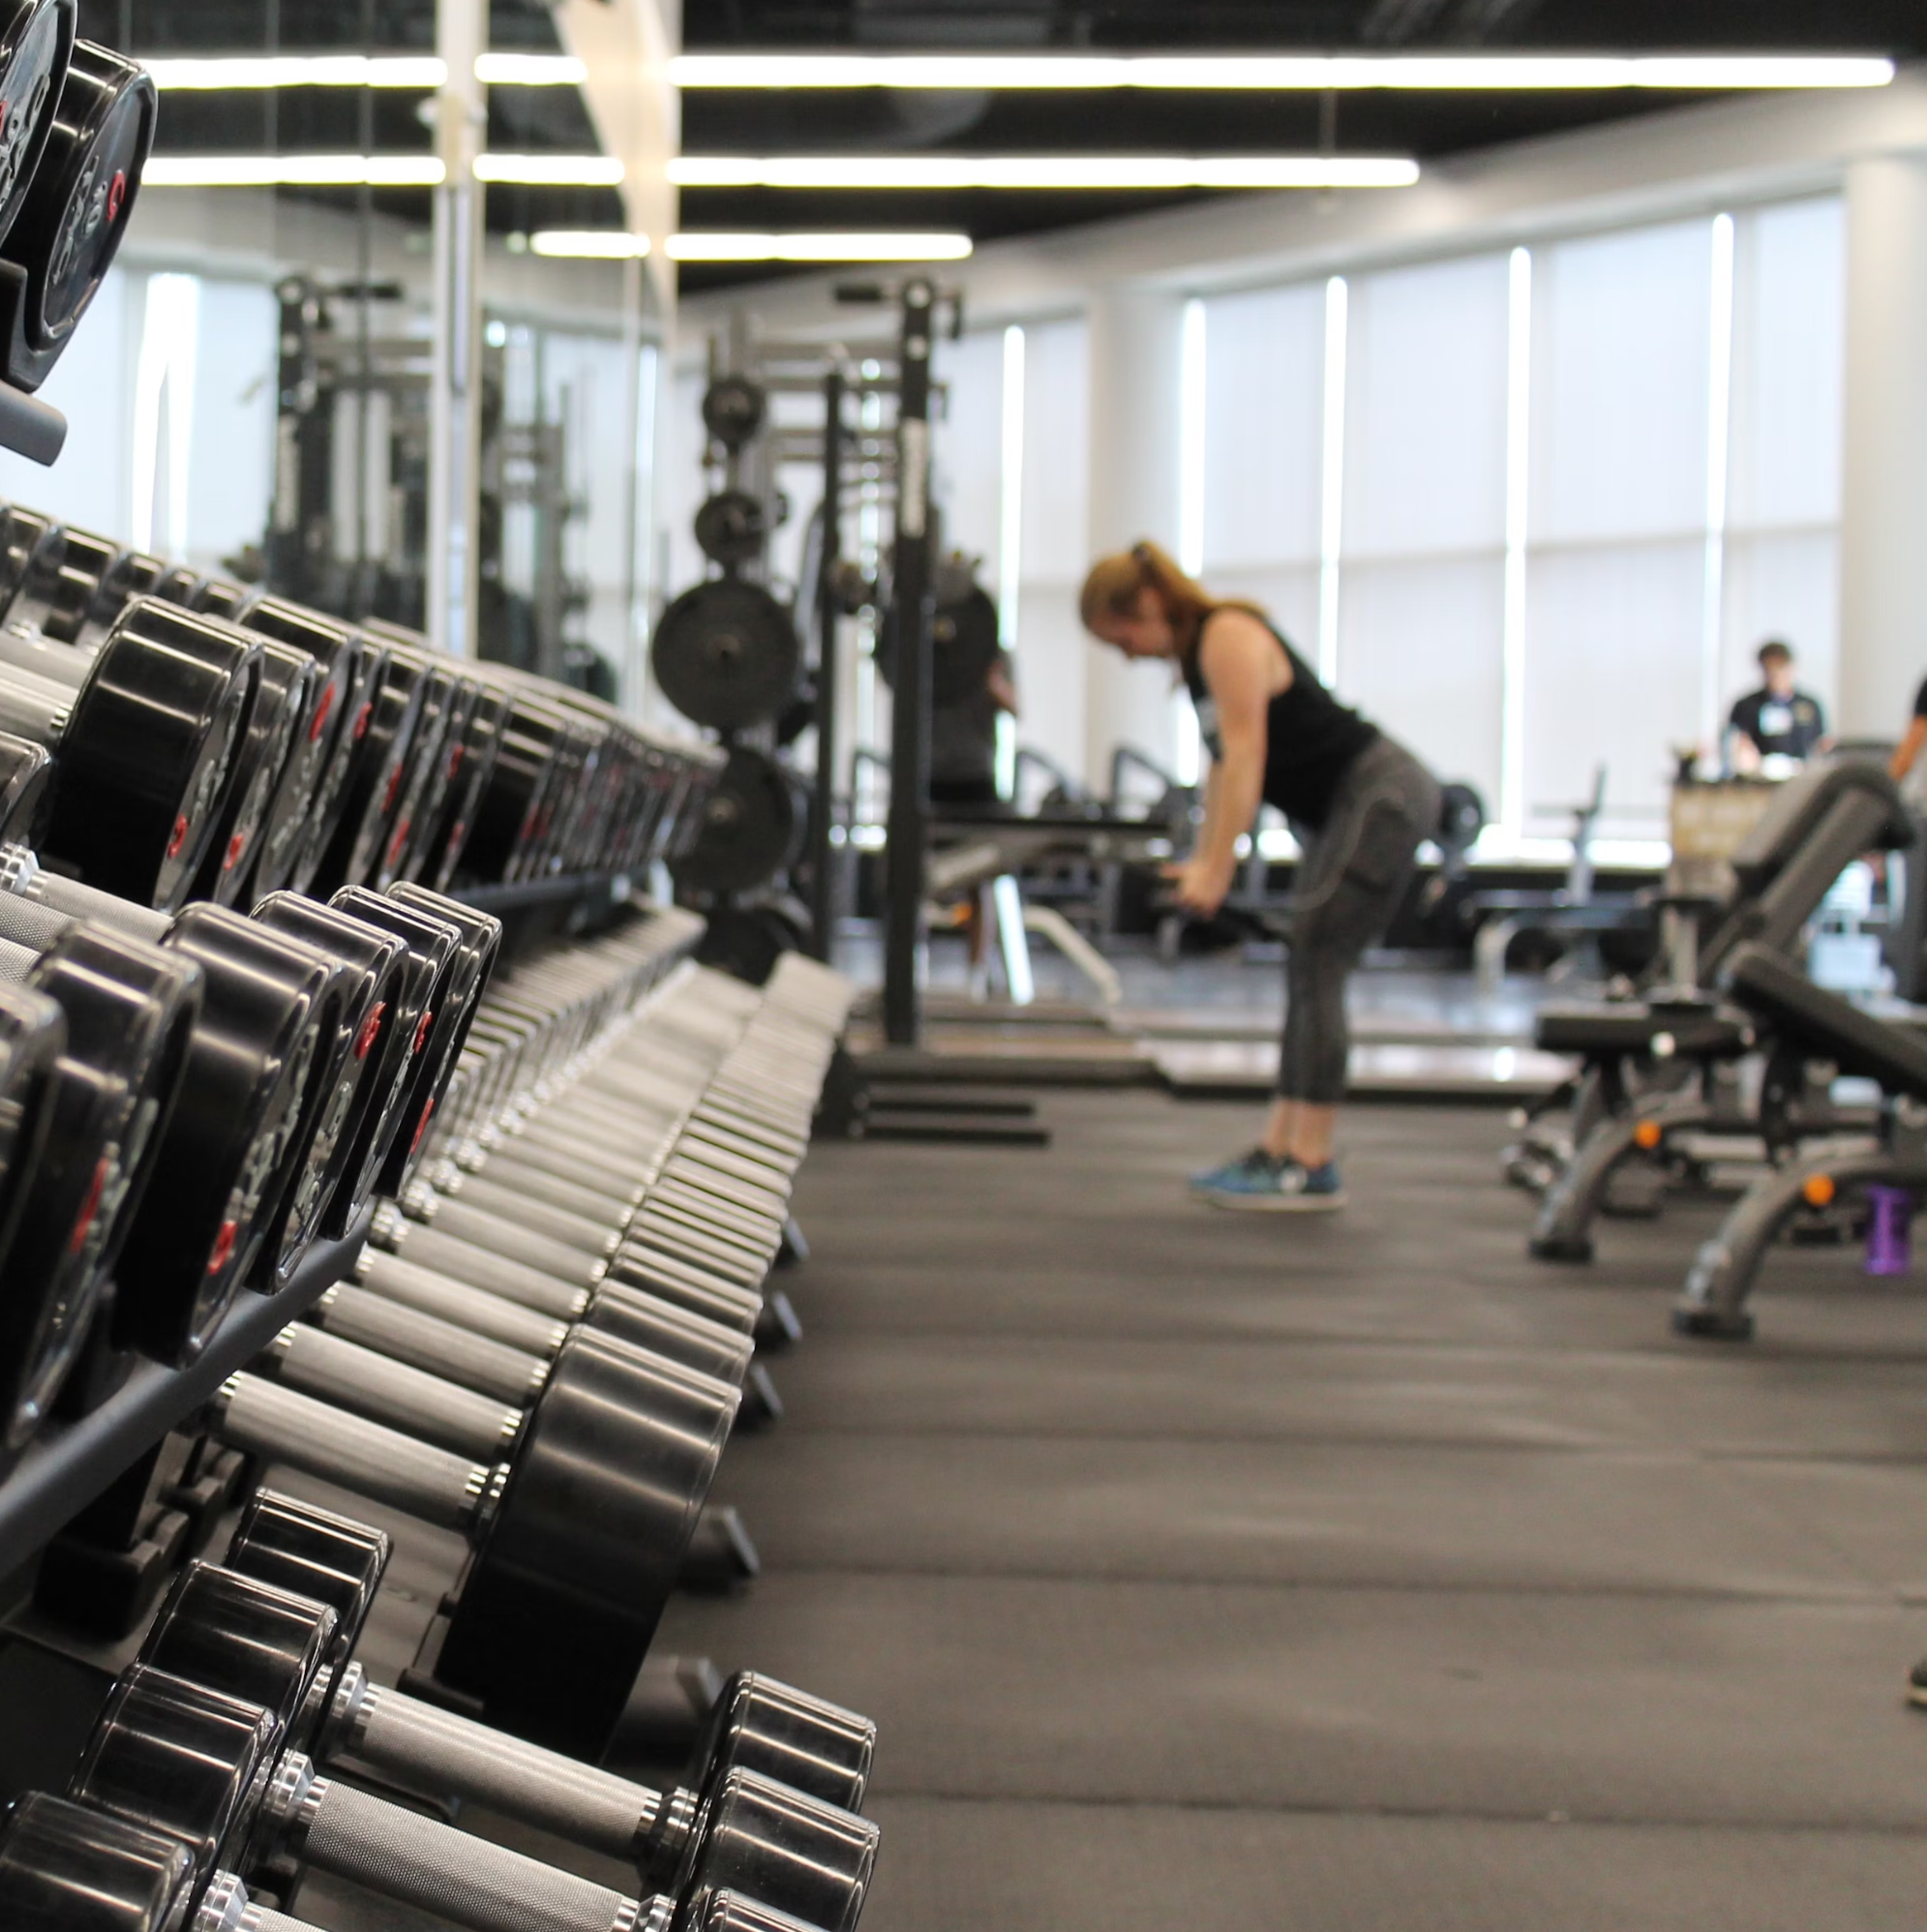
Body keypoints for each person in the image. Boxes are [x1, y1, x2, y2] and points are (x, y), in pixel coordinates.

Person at [1079, 540, 1441, 1211]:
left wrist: (1219, 869)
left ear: (1150, 603)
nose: (1126, 652)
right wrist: (1206, 859)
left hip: (1380, 796)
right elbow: (1221, 770)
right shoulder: (1197, 663)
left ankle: (1310, 1157)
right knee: (1307, 960)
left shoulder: (1227, 634)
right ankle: (1281, 1146)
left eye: (1122, 634)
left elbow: (1247, 756)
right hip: (1344, 806)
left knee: (1318, 957)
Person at [1727, 640, 1826, 770]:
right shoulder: (1746, 706)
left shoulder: (1809, 706)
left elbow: (1820, 744)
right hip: (1758, 775)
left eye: (1780, 668)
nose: (1776, 676)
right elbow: (1737, 739)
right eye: (1770, 670)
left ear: (1791, 668)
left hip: (1800, 773)